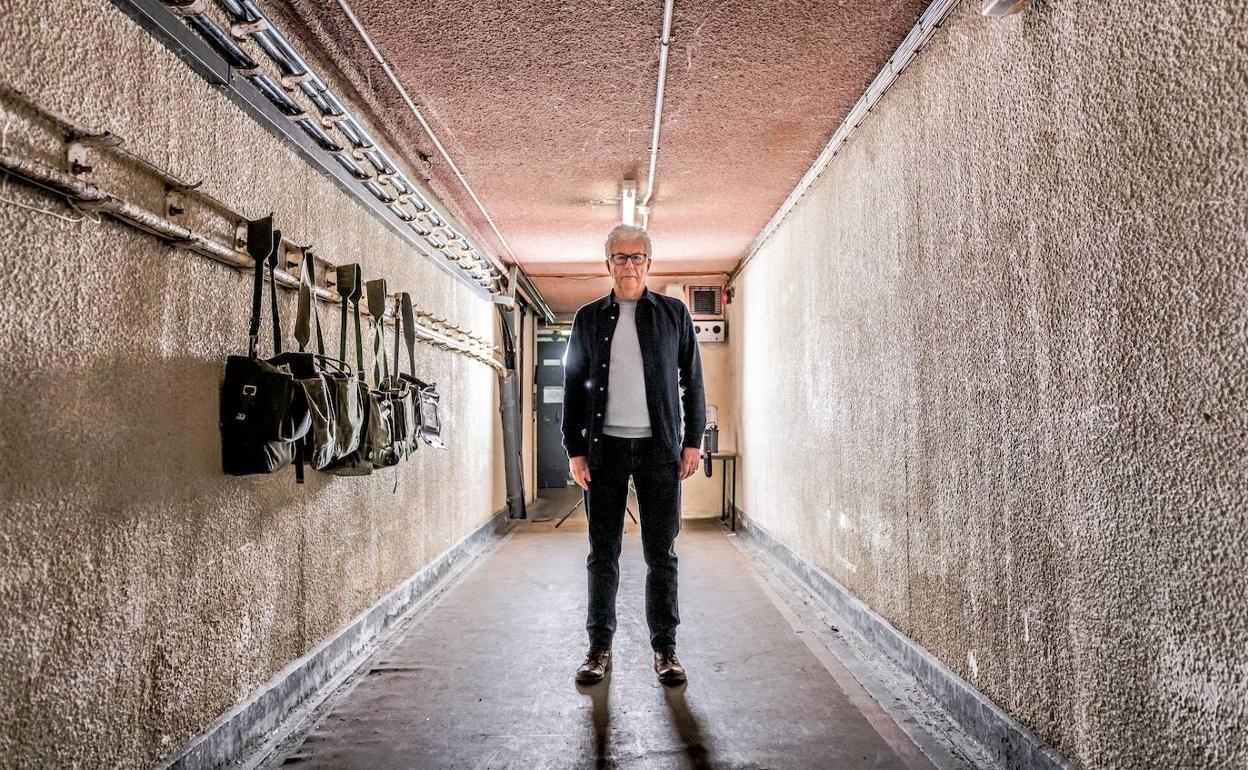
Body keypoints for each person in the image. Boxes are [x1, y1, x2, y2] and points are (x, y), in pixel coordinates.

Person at [561, 223, 706, 686]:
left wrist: (693, 440)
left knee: (660, 553)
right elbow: (573, 386)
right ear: (608, 264)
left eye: (636, 257)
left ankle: (665, 649)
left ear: (648, 263)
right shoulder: (587, 318)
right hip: (603, 451)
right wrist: (574, 449)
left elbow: (692, 381)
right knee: (602, 553)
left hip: (659, 450)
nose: (629, 265)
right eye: (620, 257)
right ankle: (598, 649)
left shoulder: (673, 314)